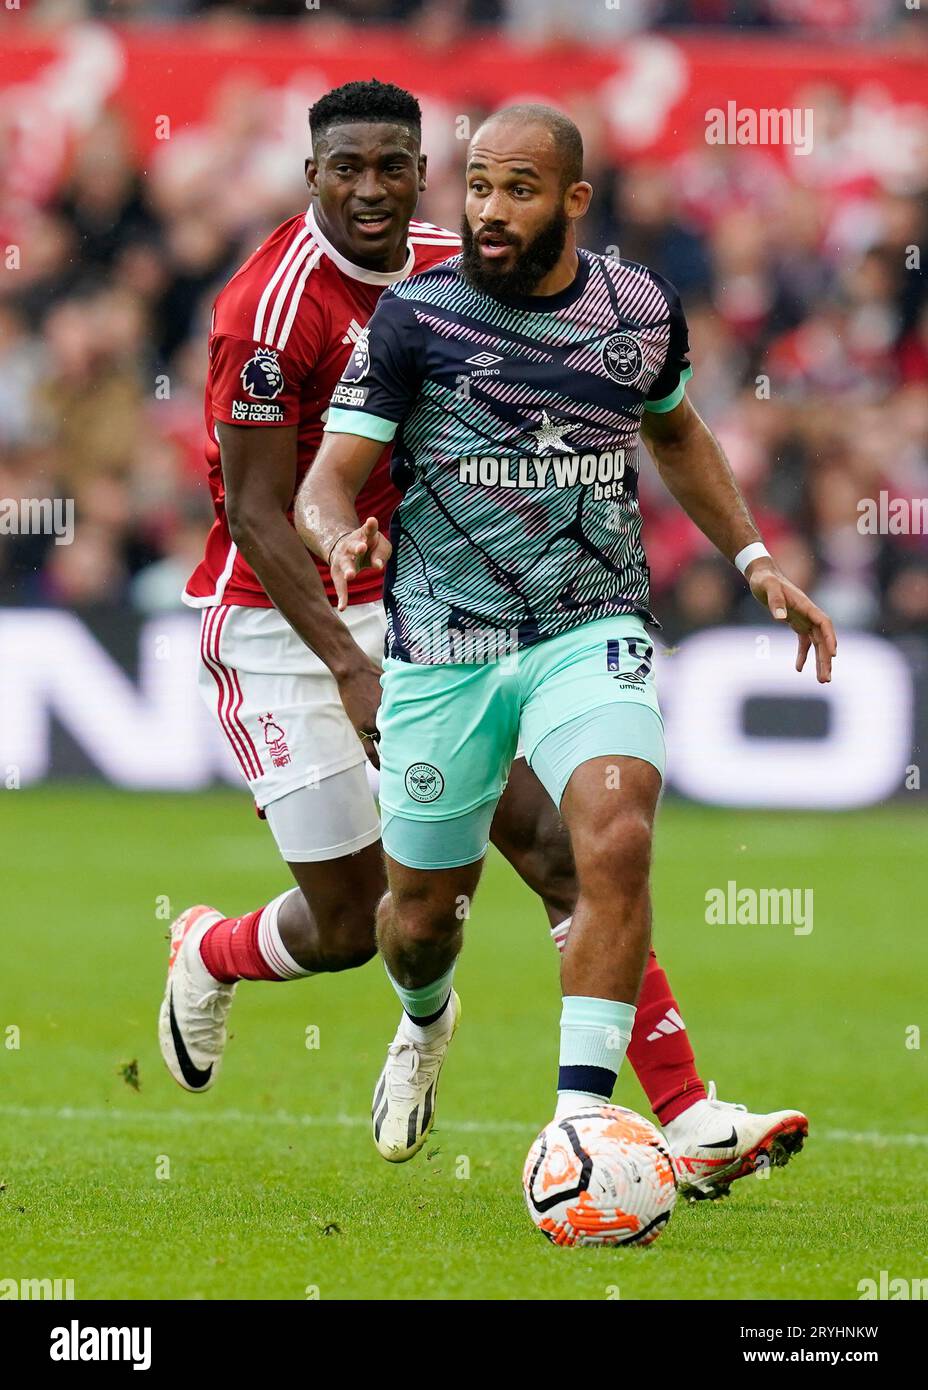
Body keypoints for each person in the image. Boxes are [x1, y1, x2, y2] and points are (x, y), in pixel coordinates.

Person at [295, 102, 834, 1183]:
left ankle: (582, 1121)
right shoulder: (414, 319)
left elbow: (674, 431)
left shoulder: (638, 309)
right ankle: (422, 1017)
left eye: (519, 190)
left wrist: (754, 559)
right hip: (443, 646)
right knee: (419, 919)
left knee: (614, 834)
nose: (489, 212)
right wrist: (336, 533)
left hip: (591, 625)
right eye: (479, 187)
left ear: (573, 201)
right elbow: (325, 479)